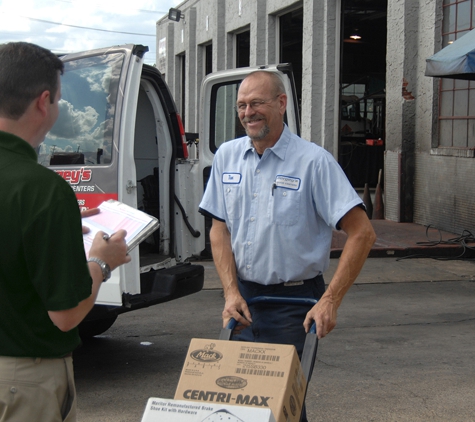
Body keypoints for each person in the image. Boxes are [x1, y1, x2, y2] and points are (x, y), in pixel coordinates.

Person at [199, 70, 376, 420]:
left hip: (294, 305)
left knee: (281, 406)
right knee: (238, 407)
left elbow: (362, 233)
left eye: (257, 103)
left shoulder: (314, 162)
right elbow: (219, 229)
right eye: (241, 105)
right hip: (243, 304)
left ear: (281, 104)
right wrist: (230, 292)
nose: (248, 112)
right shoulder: (227, 157)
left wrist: (330, 301)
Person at [0, 42, 131, 422]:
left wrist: (51, 227)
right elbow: (66, 314)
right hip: (23, 383)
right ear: (44, 102)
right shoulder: (42, 189)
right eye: (59, 99)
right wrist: (102, 263)